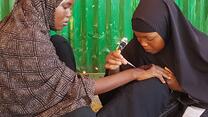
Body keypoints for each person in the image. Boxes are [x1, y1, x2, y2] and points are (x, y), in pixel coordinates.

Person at [0, 0, 170, 116]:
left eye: (149, 38)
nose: (69, 14)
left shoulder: (20, 23)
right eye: (65, 6)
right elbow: (76, 87)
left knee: (59, 43)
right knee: (82, 112)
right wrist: (134, 73)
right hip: (27, 109)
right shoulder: (30, 40)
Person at [99, 0, 208, 116]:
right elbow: (116, 98)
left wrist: (181, 87)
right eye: (137, 37)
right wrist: (114, 70)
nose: (143, 43)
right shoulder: (136, 49)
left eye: (149, 38)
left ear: (166, 27)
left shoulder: (200, 50)